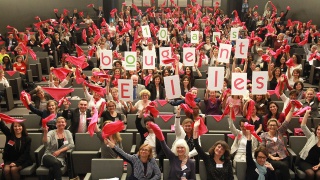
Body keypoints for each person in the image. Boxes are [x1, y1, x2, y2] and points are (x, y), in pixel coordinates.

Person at [260, 102, 296, 180]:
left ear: (277, 126)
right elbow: (262, 149)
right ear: (267, 126)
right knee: (283, 166)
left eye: (274, 125)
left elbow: (286, 121)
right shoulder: (264, 135)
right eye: (271, 125)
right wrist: (272, 157)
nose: (272, 127)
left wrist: (292, 109)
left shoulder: (280, 132)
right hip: (270, 158)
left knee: (278, 172)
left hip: (283, 157)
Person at [298, 109, 320, 180]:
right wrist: (307, 113)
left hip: (318, 163)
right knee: (311, 173)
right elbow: (303, 126)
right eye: (318, 129)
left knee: (319, 175)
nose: (319, 131)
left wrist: (318, 165)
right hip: (305, 161)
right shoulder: (312, 136)